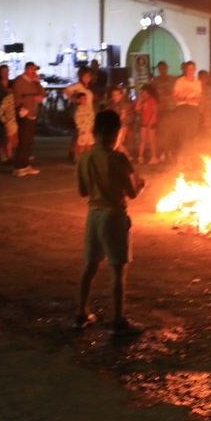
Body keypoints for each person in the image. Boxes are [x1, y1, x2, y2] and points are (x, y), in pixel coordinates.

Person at [74, 109, 146, 336]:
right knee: (117, 270)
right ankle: (118, 320)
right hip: (114, 216)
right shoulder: (118, 158)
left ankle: (82, 313)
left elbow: (83, 191)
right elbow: (132, 193)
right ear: (117, 132)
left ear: (94, 131)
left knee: (90, 265)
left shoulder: (84, 157)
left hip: (93, 216)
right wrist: (141, 185)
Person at [12, 62, 45, 176]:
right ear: (26, 69)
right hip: (24, 112)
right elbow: (18, 96)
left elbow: (43, 94)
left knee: (29, 141)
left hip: (32, 112)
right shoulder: (19, 81)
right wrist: (33, 97)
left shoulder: (33, 82)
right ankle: (19, 166)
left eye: (35, 70)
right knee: (24, 140)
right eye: (32, 69)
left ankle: (26, 165)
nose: (34, 72)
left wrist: (37, 82)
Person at [173, 61, 204, 164]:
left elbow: (199, 97)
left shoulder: (197, 82)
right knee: (183, 131)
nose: (190, 71)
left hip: (193, 109)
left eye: (192, 69)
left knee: (193, 132)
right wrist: (183, 99)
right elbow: (174, 95)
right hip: (182, 108)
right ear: (185, 70)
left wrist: (192, 100)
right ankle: (182, 155)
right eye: (188, 69)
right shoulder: (180, 81)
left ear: (194, 70)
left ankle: (192, 155)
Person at [64, 69, 95, 160]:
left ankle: (80, 155)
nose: (87, 78)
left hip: (88, 112)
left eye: (89, 76)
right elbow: (66, 90)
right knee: (80, 135)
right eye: (85, 76)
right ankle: (76, 155)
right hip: (81, 112)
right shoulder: (78, 86)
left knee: (87, 135)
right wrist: (74, 100)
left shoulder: (88, 87)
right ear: (81, 77)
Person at [106, 86, 136, 154]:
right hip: (116, 126)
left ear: (121, 95)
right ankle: (127, 156)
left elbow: (123, 115)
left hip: (122, 124)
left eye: (117, 95)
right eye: (113, 95)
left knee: (118, 142)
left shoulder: (124, 102)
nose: (115, 97)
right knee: (117, 143)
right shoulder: (111, 104)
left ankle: (127, 156)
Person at [0, 74, 18, 162]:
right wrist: (4, 119)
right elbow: (0, 110)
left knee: (15, 139)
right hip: (10, 121)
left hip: (15, 120)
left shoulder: (16, 98)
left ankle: (14, 154)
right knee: (10, 139)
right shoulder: (7, 99)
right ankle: (9, 155)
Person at [135, 84, 159, 164]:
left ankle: (154, 157)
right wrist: (139, 100)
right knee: (143, 140)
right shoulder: (144, 100)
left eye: (144, 92)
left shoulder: (152, 100)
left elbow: (155, 112)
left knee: (151, 140)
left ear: (148, 92)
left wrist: (150, 123)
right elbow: (137, 109)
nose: (142, 93)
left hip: (151, 123)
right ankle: (140, 157)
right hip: (144, 123)